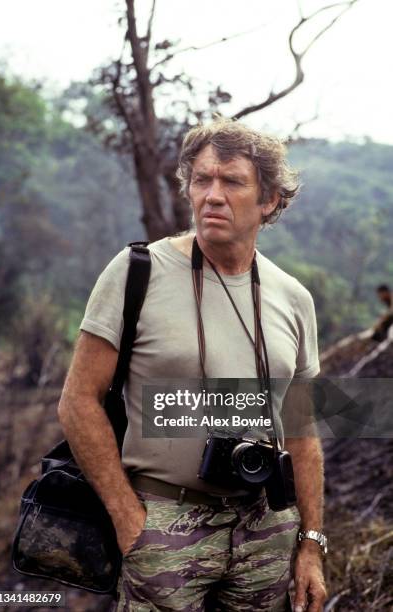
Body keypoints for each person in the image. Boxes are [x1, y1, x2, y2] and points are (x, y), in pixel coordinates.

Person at [58, 119, 327, 612]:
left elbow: (303, 432)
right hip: (164, 521)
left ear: (269, 200)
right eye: (202, 180)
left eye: (232, 181)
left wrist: (309, 543)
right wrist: (127, 517)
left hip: (266, 529)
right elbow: (78, 401)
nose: (213, 195)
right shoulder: (138, 271)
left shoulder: (293, 298)